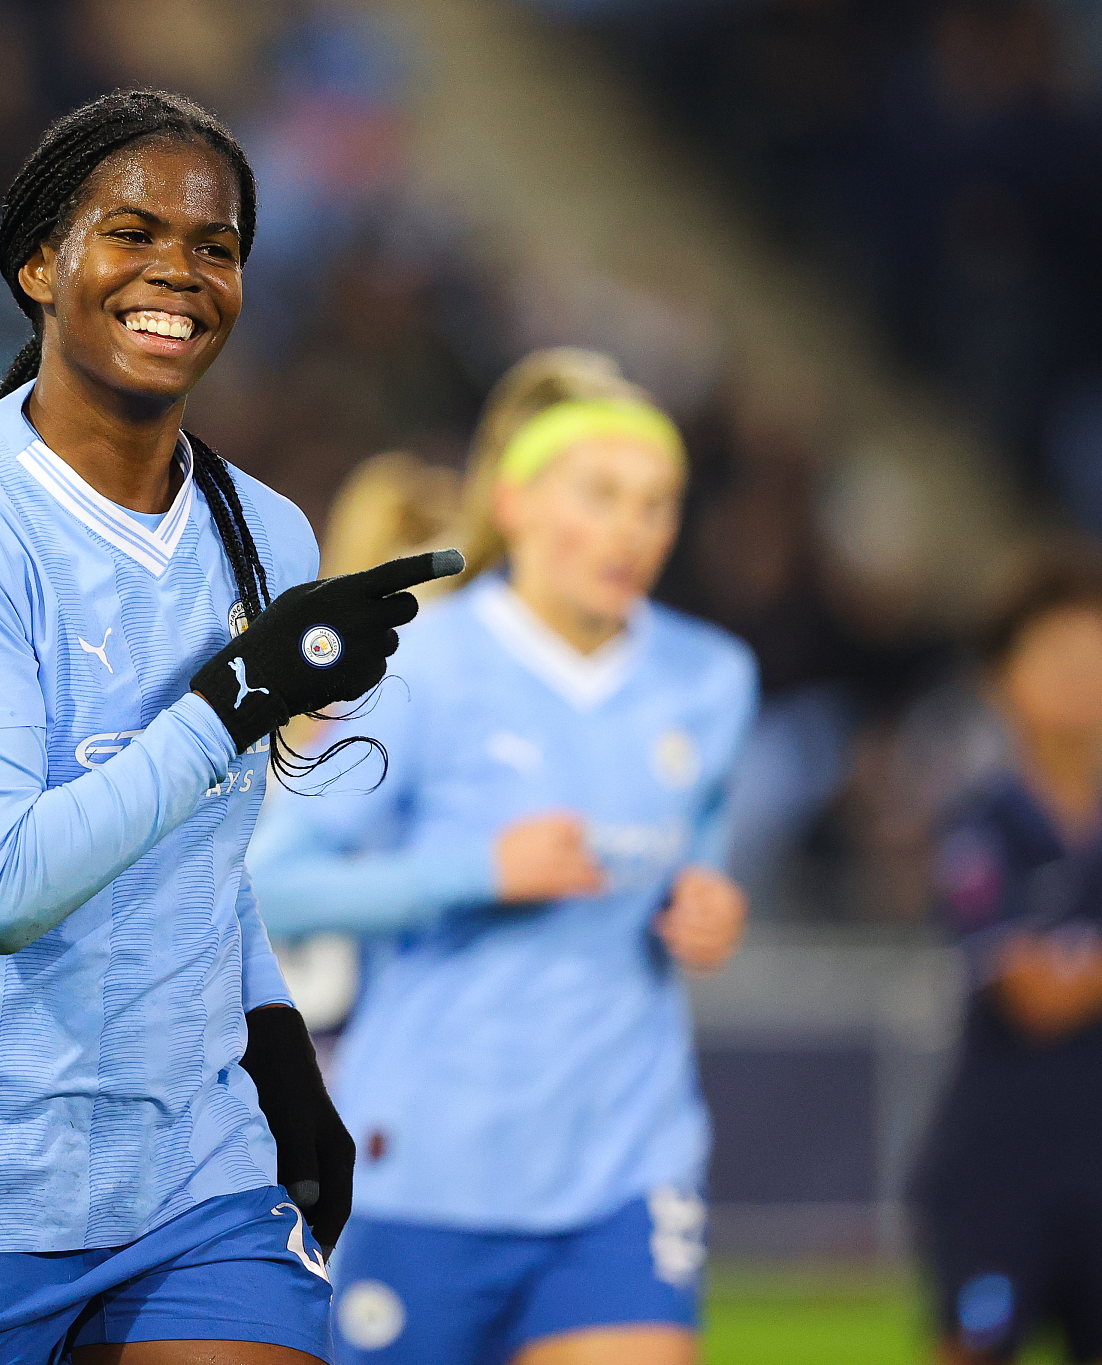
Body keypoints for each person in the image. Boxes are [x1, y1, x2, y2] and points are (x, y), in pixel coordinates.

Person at [0, 89, 459, 1365]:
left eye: (215, 245)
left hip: (186, 1173)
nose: (176, 273)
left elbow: (196, 849)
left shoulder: (266, 535)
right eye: (131, 233)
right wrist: (235, 697)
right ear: (38, 266)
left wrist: (270, 1036)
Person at [248, 347, 755, 1365]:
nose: (630, 530)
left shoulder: (708, 678)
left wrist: (709, 908)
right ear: (515, 501)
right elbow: (271, 883)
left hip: (626, 1163)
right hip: (425, 1169)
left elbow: (695, 862)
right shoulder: (416, 666)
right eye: (601, 495)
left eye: (655, 503)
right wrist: (479, 872)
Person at [911, 557, 1102, 1365]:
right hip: (1001, 1171)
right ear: (1000, 682)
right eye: (1054, 656)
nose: (1078, 678)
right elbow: (1035, 994)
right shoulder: (980, 825)